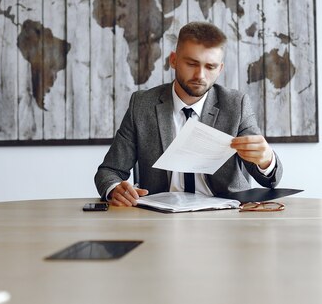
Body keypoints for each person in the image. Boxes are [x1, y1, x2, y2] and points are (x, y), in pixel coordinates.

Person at [94, 21, 283, 206]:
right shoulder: (142, 105)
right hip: (160, 220)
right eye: (192, 64)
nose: (200, 76)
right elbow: (108, 171)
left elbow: (270, 181)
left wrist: (266, 160)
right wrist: (115, 189)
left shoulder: (236, 105)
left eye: (210, 67)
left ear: (220, 69)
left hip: (226, 218)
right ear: (174, 60)